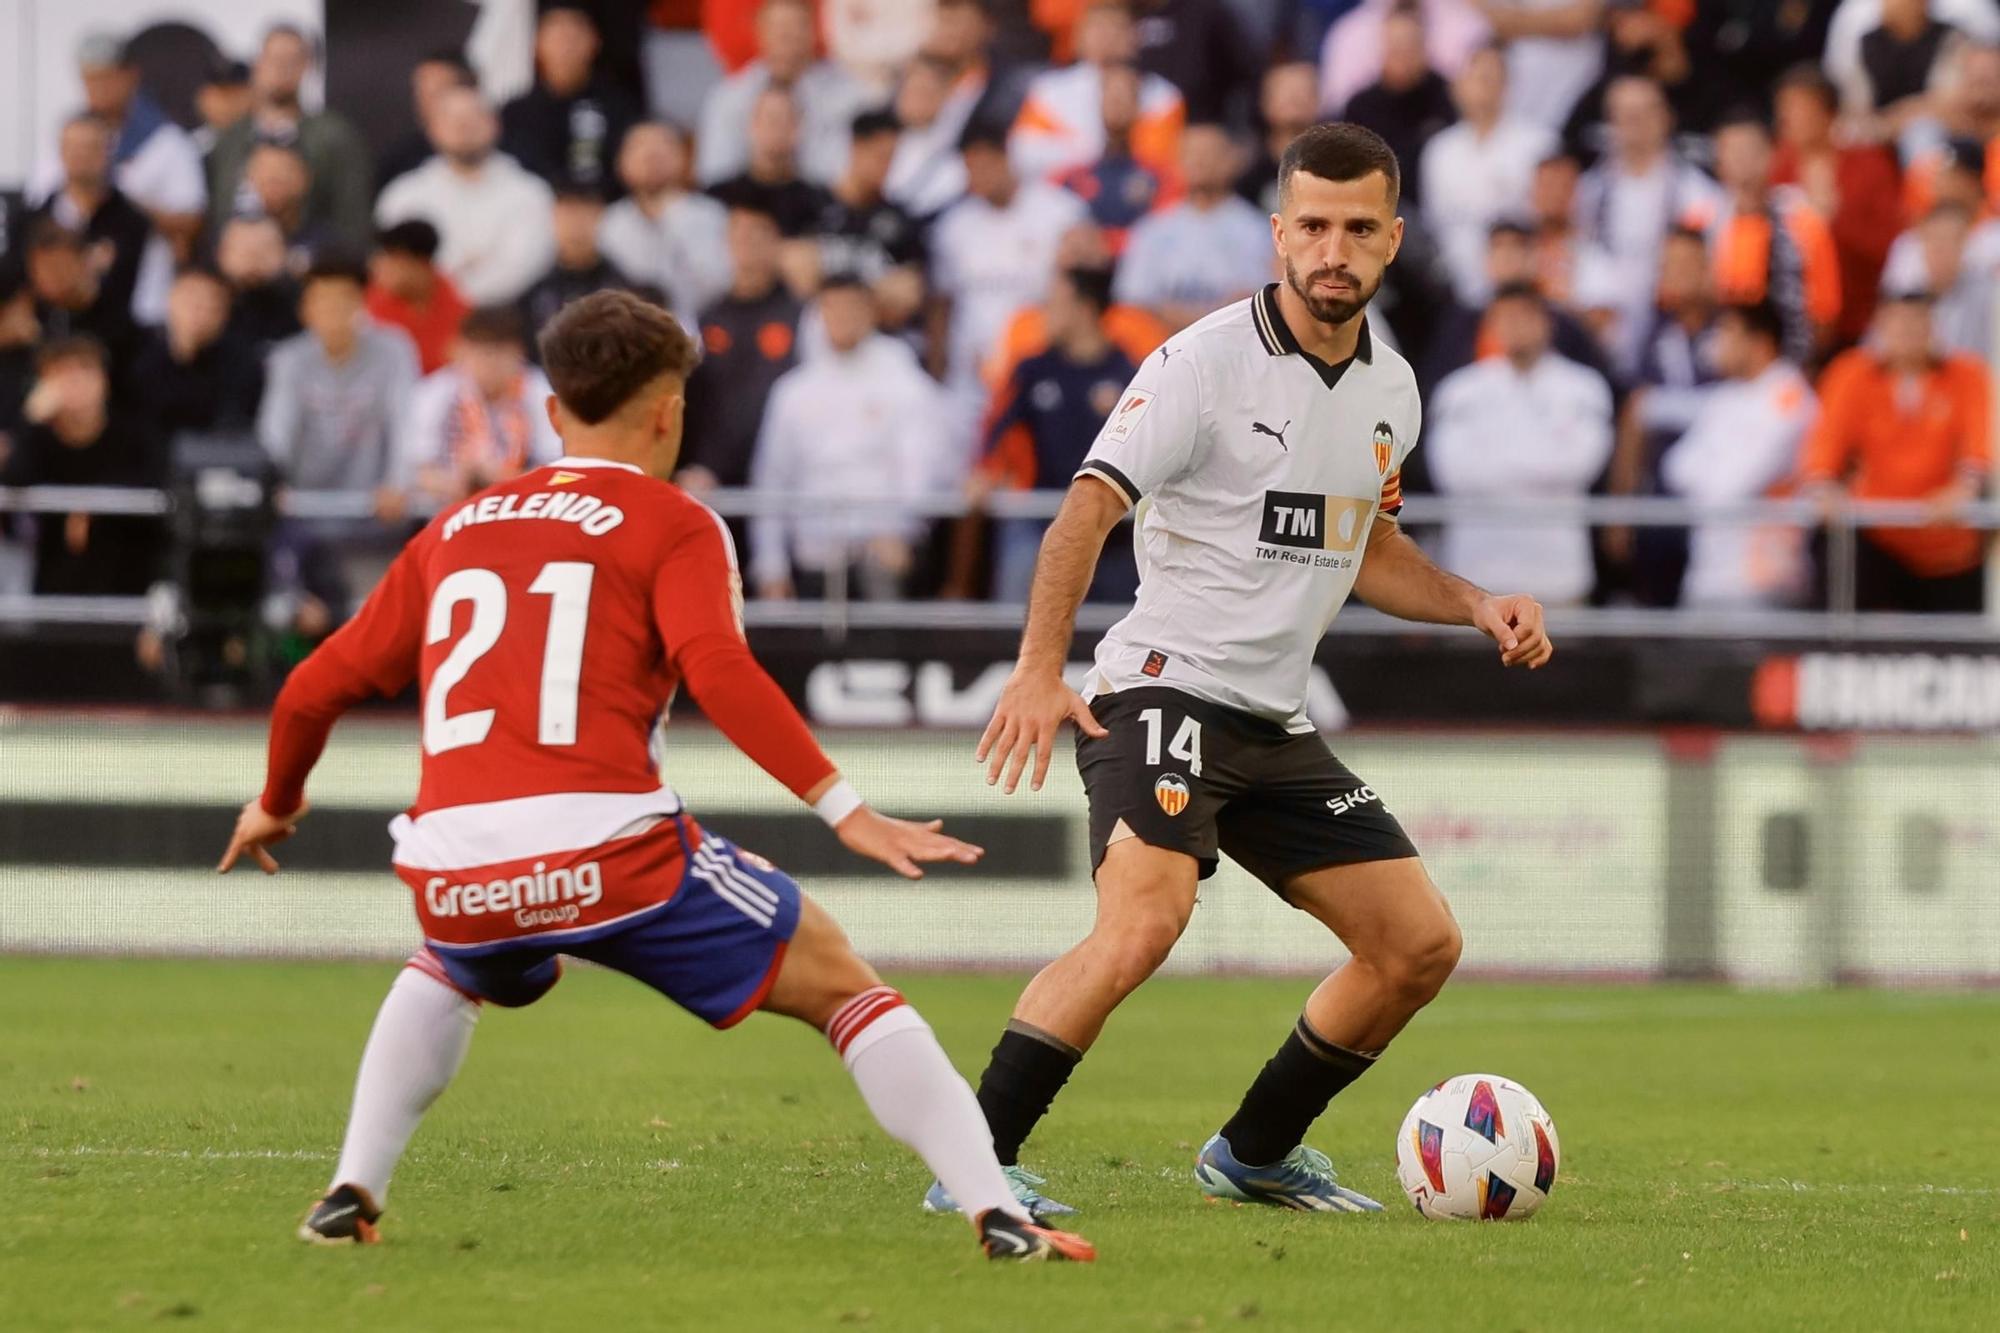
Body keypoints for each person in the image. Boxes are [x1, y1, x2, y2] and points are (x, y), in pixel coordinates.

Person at [217, 289, 1093, 1265]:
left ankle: (350, 1188)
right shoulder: (674, 522)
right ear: (669, 412)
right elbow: (718, 673)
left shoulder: (456, 526)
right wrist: (844, 809)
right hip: (607, 849)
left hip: (451, 864)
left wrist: (276, 803)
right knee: (844, 986)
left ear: (552, 413)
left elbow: (309, 687)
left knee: (450, 961)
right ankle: (994, 1213)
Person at [934, 123, 1552, 1222]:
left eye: (1357, 228)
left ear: (1392, 240)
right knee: (1142, 922)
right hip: (1160, 691)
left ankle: (1253, 1152)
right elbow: (1085, 509)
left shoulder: (1390, 392)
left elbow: (1364, 546)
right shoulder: (1200, 363)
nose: (1332, 248)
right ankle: (976, 1164)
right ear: (1276, 233)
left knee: (1416, 945)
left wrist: (1470, 603)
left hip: (1270, 720)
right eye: (1311, 225)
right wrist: (1037, 667)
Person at [950, 265, 1141, 602]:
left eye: (1053, 303)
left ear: (1084, 309)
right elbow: (996, 428)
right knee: (1019, 572)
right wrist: (986, 471)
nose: (1043, 314)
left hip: (1113, 529)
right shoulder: (1032, 370)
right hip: (1042, 518)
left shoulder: (1129, 373)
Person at [750, 275, 944, 600]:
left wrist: (902, 530)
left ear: (870, 312)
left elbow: (920, 466)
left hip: (881, 550)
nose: (842, 317)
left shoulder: (901, 379)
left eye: (852, 307)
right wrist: (771, 566)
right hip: (815, 552)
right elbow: (771, 477)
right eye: (832, 307)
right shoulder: (793, 392)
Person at [1800, 292, 1992, 613]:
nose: (1908, 332)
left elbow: (1980, 444)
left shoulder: (1968, 375)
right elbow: (1824, 445)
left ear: (1934, 327)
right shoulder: (1850, 373)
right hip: (1876, 539)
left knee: (1954, 643)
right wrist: (1824, 487)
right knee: (1834, 553)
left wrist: (1966, 488)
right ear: (1880, 325)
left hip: (1947, 545)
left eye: (1918, 322)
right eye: (1898, 322)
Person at [1428, 281, 1616, 606]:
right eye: (1504, 317)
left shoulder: (1584, 388)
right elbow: (1452, 472)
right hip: (1477, 580)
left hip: (1557, 578)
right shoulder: (1460, 390)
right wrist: (1541, 461)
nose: (1514, 326)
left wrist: (1495, 463)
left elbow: (1581, 465)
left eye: (1524, 316)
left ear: (1546, 322)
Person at [929, 124, 1089, 463]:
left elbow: (1075, 294)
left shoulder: (1058, 212)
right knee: (969, 478)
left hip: (1038, 372)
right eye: (971, 168)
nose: (979, 176)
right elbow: (942, 304)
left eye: (985, 165)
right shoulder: (953, 226)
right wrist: (939, 363)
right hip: (969, 377)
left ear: (1005, 158)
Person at [1658, 301, 1816, 609]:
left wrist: (1711, 472)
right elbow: (1676, 467)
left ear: (1759, 343)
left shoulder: (1790, 397)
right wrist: (1713, 477)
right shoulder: (1725, 396)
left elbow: (1732, 486)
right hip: (1707, 569)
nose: (1717, 344)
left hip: (1766, 576)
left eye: (1727, 333)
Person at [1573, 74, 1722, 374]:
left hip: (1674, 328)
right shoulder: (1588, 193)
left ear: (1666, 117)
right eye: (1624, 114)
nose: (1634, 123)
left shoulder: (1698, 193)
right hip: (1607, 327)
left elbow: (1713, 268)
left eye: (1644, 112)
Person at [2, 335, 163, 595]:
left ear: (104, 380)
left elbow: (154, 484)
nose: (76, 384)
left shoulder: (135, 435)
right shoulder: (39, 440)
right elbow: (13, 481)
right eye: (63, 374)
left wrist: (92, 507)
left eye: (85, 371)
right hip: (53, 584)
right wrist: (30, 419)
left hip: (125, 583)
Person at [257, 255, 420, 509]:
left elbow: (405, 422)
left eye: (344, 299)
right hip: (302, 506)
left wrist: (398, 484)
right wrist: (270, 484)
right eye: (323, 300)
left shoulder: (394, 350)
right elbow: (276, 430)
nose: (334, 309)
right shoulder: (289, 359)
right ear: (305, 309)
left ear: (362, 303)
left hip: (374, 506)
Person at [29, 31, 207, 259]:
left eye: (107, 77)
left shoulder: (166, 143)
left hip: (143, 281)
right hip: (75, 282)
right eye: (90, 78)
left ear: (131, 75)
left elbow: (191, 223)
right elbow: (36, 209)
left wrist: (117, 204)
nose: (98, 88)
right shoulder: (70, 137)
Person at [376, 86, 558, 306]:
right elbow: (399, 267)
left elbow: (524, 265)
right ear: (432, 129)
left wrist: (454, 291)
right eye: (451, 118)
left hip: (507, 321)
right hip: (422, 323)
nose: (463, 126)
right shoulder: (403, 195)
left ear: (495, 124)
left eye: (474, 116)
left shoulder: (531, 193)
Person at [1690, 111, 1840, 369]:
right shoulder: (1700, 223)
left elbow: (1824, 313)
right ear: (1719, 161)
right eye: (1733, 151)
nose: (1743, 161)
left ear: (1772, 155)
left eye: (1751, 150)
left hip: (1787, 363)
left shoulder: (1802, 221)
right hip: (1714, 364)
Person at [680, 204, 803, 513]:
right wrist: (702, 464)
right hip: (712, 478)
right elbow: (696, 401)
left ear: (777, 243)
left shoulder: (803, 315)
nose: (747, 244)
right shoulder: (705, 316)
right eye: (739, 234)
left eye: (758, 234)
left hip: (784, 478)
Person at [207, 24, 373, 250]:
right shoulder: (230, 140)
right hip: (235, 265)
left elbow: (353, 220)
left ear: (307, 66)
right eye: (273, 58)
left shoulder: (334, 137)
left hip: (310, 264)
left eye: (292, 59)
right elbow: (214, 215)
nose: (281, 68)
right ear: (258, 63)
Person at [1769, 62, 1902, 345]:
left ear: (1828, 112)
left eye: (1798, 107)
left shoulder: (1869, 165)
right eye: (1784, 107)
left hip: (1861, 316)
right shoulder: (1778, 168)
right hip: (1792, 318)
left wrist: (1833, 221)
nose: (1787, 117)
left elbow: (1891, 243)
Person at [1420, 44, 1557, 306]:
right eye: (1476, 77)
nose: (1484, 87)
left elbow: (1551, 224)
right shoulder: (1439, 151)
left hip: (1523, 291)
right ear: (1458, 86)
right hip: (1458, 293)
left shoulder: (1539, 144)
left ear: (1507, 85)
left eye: (1492, 78)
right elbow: (1435, 225)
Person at [395, 305, 561, 505]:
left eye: (499, 352)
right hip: (450, 507)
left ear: (519, 352)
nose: (490, 363)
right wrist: (457, 481)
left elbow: (554, 465)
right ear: (461, 349)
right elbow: (417, 467)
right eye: (481, 352)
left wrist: (500, 478)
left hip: (524, 504)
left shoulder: (539, 391)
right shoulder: (436, 392)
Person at [1112, 123, 1272, 329]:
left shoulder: (1257, 230)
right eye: (1191, 153)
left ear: (1230, 161)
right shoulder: (1151, 229)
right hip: (1161, 348)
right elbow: (1132, 300)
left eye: (1209, 153)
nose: (1199, 161)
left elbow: (1260, 299)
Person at [1008, 1, 1186, 184]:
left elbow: (1160, 161)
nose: (1106, 36)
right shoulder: (1048, 90)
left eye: (1116, 27)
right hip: (1064, 197)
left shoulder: (1162, 95)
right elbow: (1024, 154)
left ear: (1135, 37)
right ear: (1078, 37)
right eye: (1097, 27)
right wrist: (1092, 154)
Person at [697, 0, 869, 187]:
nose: (787, 36)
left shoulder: (849, 96)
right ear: (758, 31)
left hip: (818, 204)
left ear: (813, 31)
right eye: (778, 28)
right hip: (748, 204)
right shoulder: (728, 97)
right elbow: (715, 173)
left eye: (796, 26)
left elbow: (841, 173)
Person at [28, 113, 173, 326]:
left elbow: (143, 299)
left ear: (108, 153)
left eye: (90, 147)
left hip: (115, 345)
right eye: (74, 147)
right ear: (60, 151)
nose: (81, 156)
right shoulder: (32, 220)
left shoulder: (133, 223)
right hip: (44, 345)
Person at [802, 110, 927, 335]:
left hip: (878, 342)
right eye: (881, 156)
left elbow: (907, 296)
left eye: (892, 158)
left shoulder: (898, 219)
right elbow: (799, 276)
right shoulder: (812, 204)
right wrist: (876, 290)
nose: (887, 167)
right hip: (816, 338)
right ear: (856, 147)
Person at [598, 122, 730, 329]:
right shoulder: (609, 223)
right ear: (621, 163)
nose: (651, 154)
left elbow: (721, 286)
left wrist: (672, 217)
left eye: (663, 145)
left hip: (701, 334)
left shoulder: (712, 216)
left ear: (684, 157)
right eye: (640, 146)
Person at [500, 6, 640, 194]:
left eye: (574, 38)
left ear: (595, 41)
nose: (566, 47)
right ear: (537, 43)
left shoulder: (619, 106)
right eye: (557, 38)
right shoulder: (515, 112)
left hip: (603, 211)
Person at [1342, 6, 1458, 209]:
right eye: (1396, 46)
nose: (1403, 55)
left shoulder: (1448, 98)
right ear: (1382, 48)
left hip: (1437, 210)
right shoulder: (1360, 107)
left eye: (1410, 46)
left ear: (1424, 47)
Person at [127, 267, 264, 437]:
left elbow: (235, 422)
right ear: (171, 299)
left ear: (225, 314)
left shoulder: (242, 361)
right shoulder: (133, 348)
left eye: (212, 306)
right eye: (192, 301)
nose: (200, 312)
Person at [1053, 63, 1171, 256]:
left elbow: (1164, 235)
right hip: (1086, 270)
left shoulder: (1160, 175)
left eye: (1125, 96)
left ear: (1138, 105)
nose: (1117, 103)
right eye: (1110, 95)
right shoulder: (1068, 175)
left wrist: (1110, 244)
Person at [707, 87, 836, 242]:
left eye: (786, 120)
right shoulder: (718, 198)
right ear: (751, 125)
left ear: (799, 128)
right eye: (770, 119)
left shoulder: (821, 202)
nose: (777, 129)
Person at [519, 186, 635, 339]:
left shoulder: (625, 286)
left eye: (585, 213)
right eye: (568, 213)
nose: (576, 224)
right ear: (554, 217)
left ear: (600, 216)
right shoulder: (532, 288)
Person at [365, 220, 469, 376]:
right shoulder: (368, 303)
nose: (381, 266)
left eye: (393, 259)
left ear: (421, 265)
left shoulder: (457, 307)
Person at [377, 53, 478, 192]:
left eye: (437, 92)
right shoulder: (400, 164)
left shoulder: (509, 160)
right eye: (421, 93)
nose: (426, 103)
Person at [1236, 62, 1319, 215]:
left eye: (1303, 92)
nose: (1294, 99)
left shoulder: (1338, 168)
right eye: (1285, 92)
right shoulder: (1249, 174)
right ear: (1264, 102)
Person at [215, 216, 303, 355]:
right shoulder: (205, 308)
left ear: (284, 253)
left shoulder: (304, 309)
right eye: (243, 250)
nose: (253, 259)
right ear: (222, 255)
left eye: (265, 249)